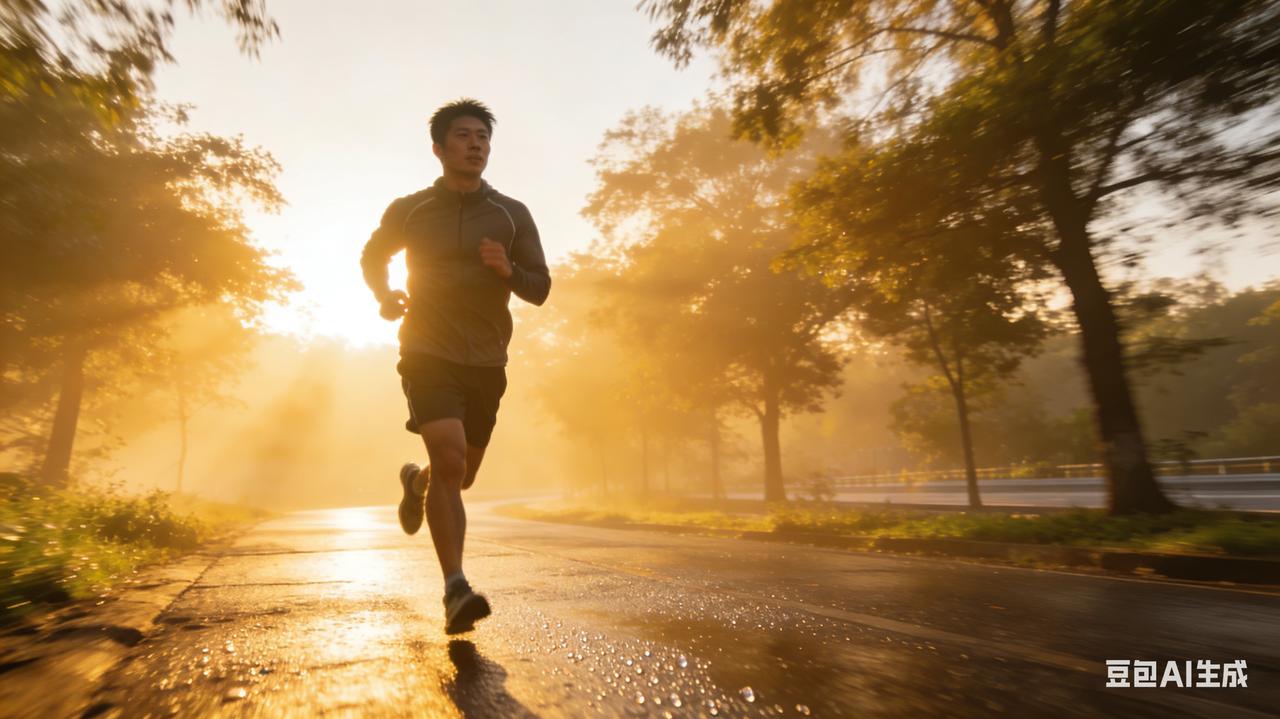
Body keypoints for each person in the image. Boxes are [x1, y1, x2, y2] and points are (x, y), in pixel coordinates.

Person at [360, 99, 551, 634]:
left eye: (483, 137)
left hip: (488, 359)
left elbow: (540, 288)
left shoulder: (513, 213)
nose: (476, 145)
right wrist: (383, 295)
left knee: (458, 475)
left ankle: (415, 483)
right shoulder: (412, 209)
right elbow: (372, 256)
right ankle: (455, 590)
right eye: (463, 136)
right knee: (450, 462)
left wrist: (508, 269)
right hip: (426, 350)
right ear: (440, 148)